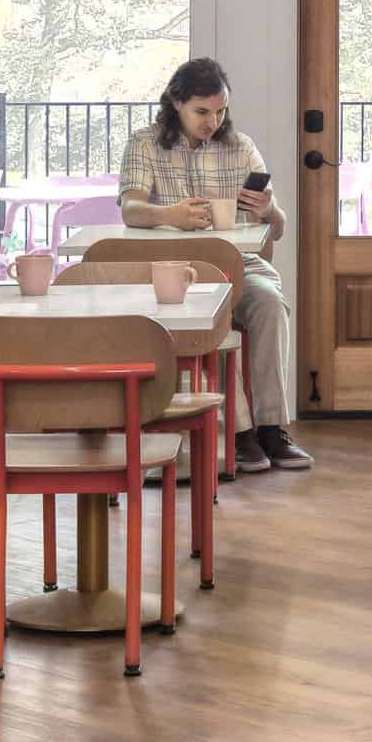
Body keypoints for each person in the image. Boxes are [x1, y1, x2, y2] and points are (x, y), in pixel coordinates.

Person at [119, 57, 313, 474]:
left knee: (270, 303)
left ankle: (272, 429)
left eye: (220, 110)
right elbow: (131, 208)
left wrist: (270, 211)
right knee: (216, 309)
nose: (213, 121)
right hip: (174, 268)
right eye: (202, 111)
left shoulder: (240, 147)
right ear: (176, 103)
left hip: (237, 262)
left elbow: (277, 227)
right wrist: (170, 215)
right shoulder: (145, 143)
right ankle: (240, 433)